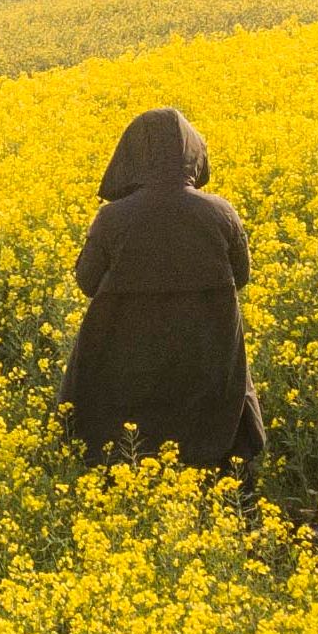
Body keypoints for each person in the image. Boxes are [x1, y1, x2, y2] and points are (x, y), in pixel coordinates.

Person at [58, 107, 264, 469]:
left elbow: (87, 283)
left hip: (126, 364)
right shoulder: (221, 212)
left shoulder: (112, 218)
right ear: (191, 153)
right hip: (208, 359)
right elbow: (242, 277)